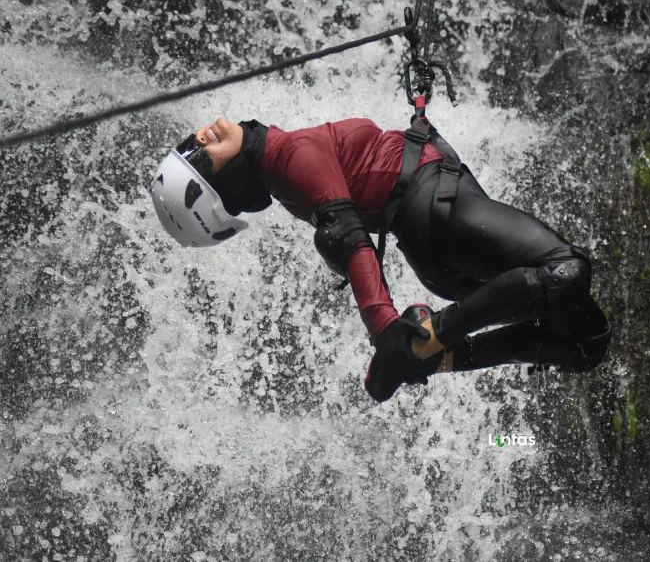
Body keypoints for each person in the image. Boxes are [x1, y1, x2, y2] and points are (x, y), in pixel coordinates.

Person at [150, 115, 611, 402]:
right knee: (567, 274)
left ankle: (441, 356)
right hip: (436, 210)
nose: (201, 136)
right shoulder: (290, 157)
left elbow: (345, 236)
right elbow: (351, 242)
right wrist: (388, 331)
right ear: (222, 191)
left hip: (434, 237)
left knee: (587, 342)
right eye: (200, 157)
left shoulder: (285, 173)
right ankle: (429, 337)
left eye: (189, 145)